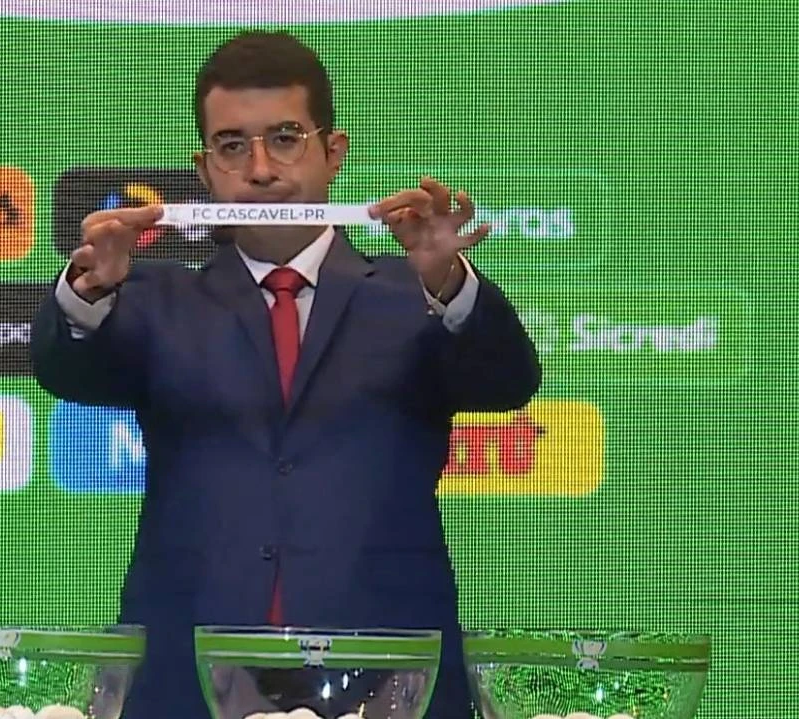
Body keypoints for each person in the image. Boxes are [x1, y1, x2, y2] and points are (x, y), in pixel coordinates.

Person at [31, 30, 541, 719]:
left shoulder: (416, 294)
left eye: (285, 138)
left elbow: (508, 382)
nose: (261, 168)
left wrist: (449, 282)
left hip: (388, 677)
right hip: (188, 679)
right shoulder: (153, 300)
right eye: (232, 146)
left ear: (334, 152)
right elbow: (65, 372)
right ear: (204, 168)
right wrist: (88, 289)